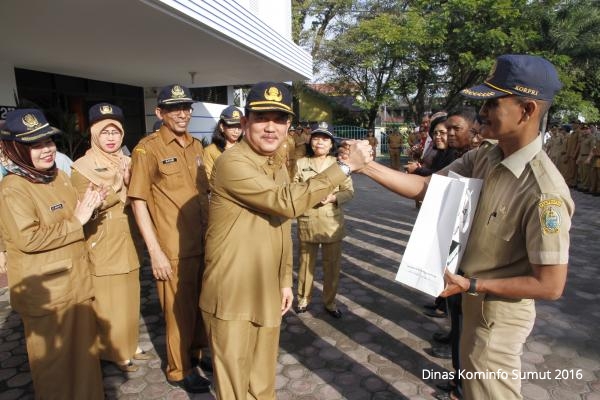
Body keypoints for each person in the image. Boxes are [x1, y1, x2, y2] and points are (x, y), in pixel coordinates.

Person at [349, 54, 573, 400]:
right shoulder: (487, 156)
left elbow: (551, 285)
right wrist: (365, 168)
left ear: (527, 110)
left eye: (493, 103)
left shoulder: (544, 192)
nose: (481, 113)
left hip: (498, 317)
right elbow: (426, 187)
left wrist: (473, 283)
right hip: (473, 303)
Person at [199, 81, 372, 400]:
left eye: (279, 119)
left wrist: (283, 281)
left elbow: (281, 225)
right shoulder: (231, 163)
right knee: (234, 387)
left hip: (265, 285)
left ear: (289, 125)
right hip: (232, 290)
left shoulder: (276, 164)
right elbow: (287, 203)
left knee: (262, 383)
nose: (270, 127)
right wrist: (345, 167)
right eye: (262, 117)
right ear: (246, 121)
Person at [0, 109, 106, 399]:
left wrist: (92, 204)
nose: (47, 149)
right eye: (35, 144)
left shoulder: (57, 176)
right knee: (55, 369)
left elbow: (76, 214)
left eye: (48, 141)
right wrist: (77, 221)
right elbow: (28, 238)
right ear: (16, 148)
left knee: (85, 361)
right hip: (47, 294)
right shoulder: (13, 188)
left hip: (77, 285)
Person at [128, 84, 211, 393]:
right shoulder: (147, 149)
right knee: (177, 314)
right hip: (173, 249)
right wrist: (155, 252)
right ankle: (178, 369)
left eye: (186, 107)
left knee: (201, 307)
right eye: (174, 108)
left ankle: (196, 355)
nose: (182, 113)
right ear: (159, 112)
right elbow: (137, 201)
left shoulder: (196, 146)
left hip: (202, 243)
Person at [71, 103, 150, 372]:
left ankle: (129, 343)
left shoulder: (129, 161)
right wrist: (120, 186)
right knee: (108, 300)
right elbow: (84, 204)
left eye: (115, 131)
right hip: (102, 241)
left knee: (130, 296)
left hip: (129, 238)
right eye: (105, 132)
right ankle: (112, 351)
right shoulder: (82, 166)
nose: (111, 137)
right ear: (93, 133)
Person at [294, 122, 354, 318]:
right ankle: (303, 299)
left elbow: (349, 191)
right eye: (316, 137)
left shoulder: (338, 166)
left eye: (325, 139)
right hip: (308, 219)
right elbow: (293, 189)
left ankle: (330, 302)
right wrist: (307, 197)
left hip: (331, 222)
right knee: (305, 264)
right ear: (311, 141)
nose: (320, 142)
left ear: (331, 145)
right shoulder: (301, 164)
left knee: (332, 265)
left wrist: (333, 198)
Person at [203, 105, 243, 183]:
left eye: (239, 127)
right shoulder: (210, 151)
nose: (236, 131)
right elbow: (208, 178)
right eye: (232, 126)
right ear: (222, 127)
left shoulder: (246, 147)